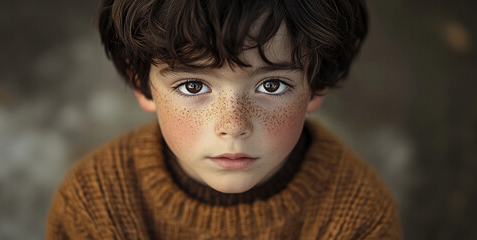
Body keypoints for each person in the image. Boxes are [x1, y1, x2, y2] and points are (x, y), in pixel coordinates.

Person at [46, 0, 402, 239]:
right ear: (142, 83)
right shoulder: (94, 207)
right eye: (193, 85)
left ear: (317, 83)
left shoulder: (357, 219)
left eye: (271, 84)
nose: (232, 125)